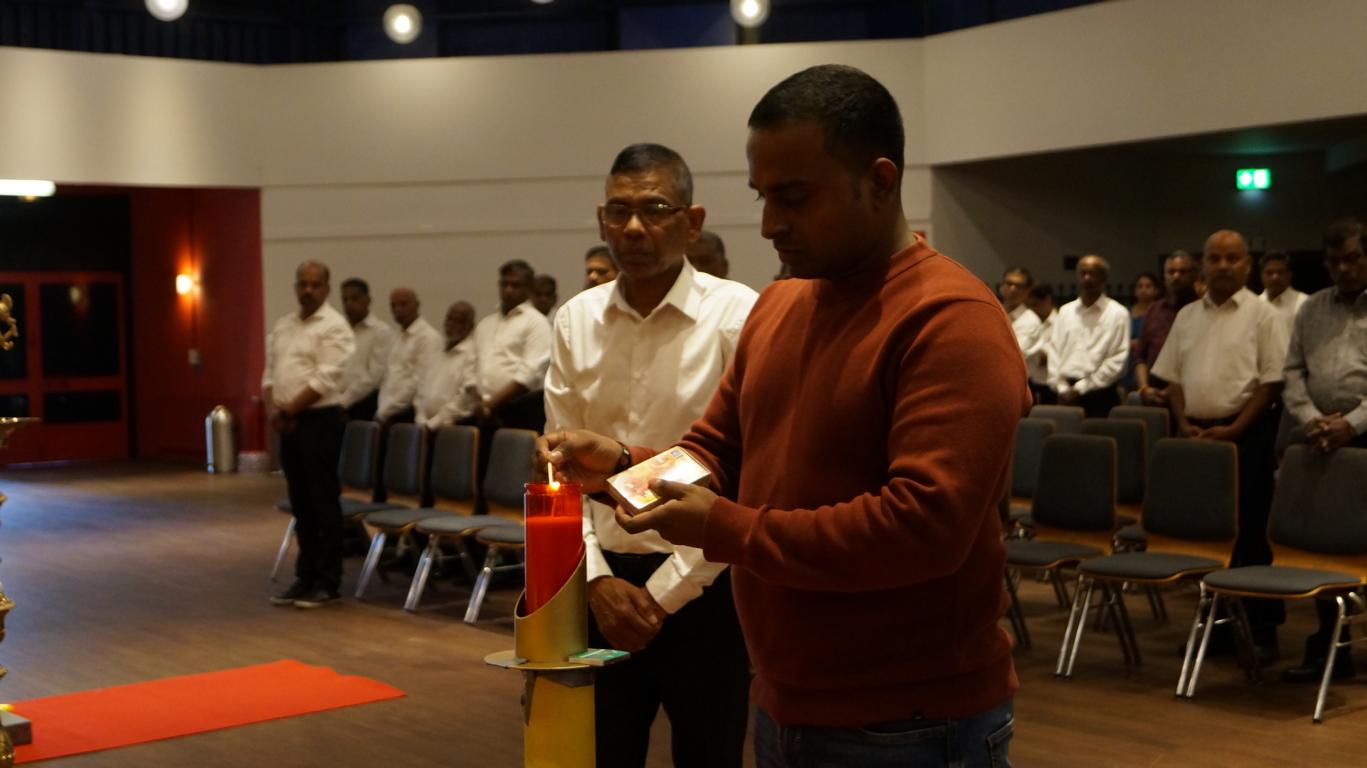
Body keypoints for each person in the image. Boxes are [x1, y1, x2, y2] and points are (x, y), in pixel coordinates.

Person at [540, 64, 1024, 767]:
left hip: (911, 717)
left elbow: (924, 528)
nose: (770, 224)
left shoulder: (951, 319)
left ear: (879, 181)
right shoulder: (781, 306)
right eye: (763, 197)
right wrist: (620, 467)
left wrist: (725, 528)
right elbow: (714, 451)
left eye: (794, 197)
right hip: (786, 697)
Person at [546, 143, 758, 768]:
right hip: (600, 586)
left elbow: (743, 471)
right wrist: (595, 580)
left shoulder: (737, 315)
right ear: (601, 220)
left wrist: (665, 593)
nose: (634, 227)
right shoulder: (575, 319)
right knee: (602, 754)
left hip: (707, 583)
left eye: (655, 209)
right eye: (619, 211)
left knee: (709, 755)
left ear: (692, 222)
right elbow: (561, 469)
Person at [1151, 229, 1288, 664]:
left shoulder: (1265, 315)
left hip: (1247, 434)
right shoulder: (1188, 315)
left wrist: (1234, 429)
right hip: (1198, 436)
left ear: (1248, 265)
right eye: (1215, 258)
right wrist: (1184, 423)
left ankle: (1262, 630)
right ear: (1203, 265)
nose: (1223, 266)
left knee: (1251, 534)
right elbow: (1173, 379)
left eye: (1232, 258)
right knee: (1210, 538)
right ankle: (1218, 629)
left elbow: (1270, 384)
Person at [1279, 217, 1367, 684]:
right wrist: (1312, 418)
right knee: (1323, 547)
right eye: (1335, 262)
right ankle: (1331, 646)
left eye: (1352, 259)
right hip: (1318, 436)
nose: (1344, 269)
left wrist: (1352, 424)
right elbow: (1293, 371)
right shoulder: (1312, 308)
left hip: (1363, 435)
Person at [263, 261, 355, 608]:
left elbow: (325, 378)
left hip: (319, 421)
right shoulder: (284, 325)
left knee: (322, 500)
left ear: (327, 288)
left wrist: (288, 411)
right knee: (300, 503)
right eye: (302, 284)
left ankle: (327, 581)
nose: (308, 290)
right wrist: (274, 412)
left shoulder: (334, 327)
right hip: (287, 422)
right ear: (295, 287)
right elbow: (270, 374)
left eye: (315, 285)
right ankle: (305, 576)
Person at [471, 259, 552, 433]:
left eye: (515, 285)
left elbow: (530, 374)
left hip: (520, 410)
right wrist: (480, 404)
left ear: (529, 289)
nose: (508, 290)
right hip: (483, 413)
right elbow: (472, 368)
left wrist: (490, 405)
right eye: (504, 284)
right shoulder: (486, 324)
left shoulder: (537, 323)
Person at [1047, 254, 1130, 417]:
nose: (1087, 278)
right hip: (1065, 391)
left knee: (1098, 434)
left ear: (1104, 277)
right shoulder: (1065, 311)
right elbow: (1054, 350)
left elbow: (1118, 359)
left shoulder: (1117, 313)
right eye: (1083, 273)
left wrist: (1081, 388)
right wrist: (1061, 387)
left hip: (1100, 394)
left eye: (1093, 273)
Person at [1133, 251, 1200, 407]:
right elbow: (1140, 358)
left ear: (1194, 276)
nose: (1176, 276)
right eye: (1171, 272)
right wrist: (1144, 388)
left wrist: (1174, 391)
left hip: (1192, 399)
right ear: (1164, 276)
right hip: (1153, 397)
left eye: (1182, 272)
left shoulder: (1204, 311)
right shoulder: (1154, 310)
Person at [374, 287, 443, 425]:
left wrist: (387, 410)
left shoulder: (428, 337)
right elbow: (389, 378)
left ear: (417, 305)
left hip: (409, 413)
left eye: (403, 304)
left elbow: (418, 383)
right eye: (393, 305)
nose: (398, 309)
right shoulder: (398, 338)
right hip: (388, 412)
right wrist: (383, 409)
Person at [337, 277, 396, 421]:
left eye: (354, 298)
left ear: (367, 300)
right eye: (345, 300)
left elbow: (373, 376)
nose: (349, 304)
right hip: (337, 401)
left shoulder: (381, 331)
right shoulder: (339, 331)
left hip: (364, 403)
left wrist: (344, 402)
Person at [414, 301, 478, 431]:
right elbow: (420, 386)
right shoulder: (437, 350)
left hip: (452, 428)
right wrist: (420, 419)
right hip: (423, 425)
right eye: (449, 319)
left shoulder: (473, 354)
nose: (451, 324)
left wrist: (433, 424)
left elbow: (463, 398)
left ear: (470, 326)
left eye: (458, 321)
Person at [1258, 250, 1307, 336]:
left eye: (1280, 272)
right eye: (1269, 272)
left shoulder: (1304, 303)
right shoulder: (1255, 304)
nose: (1275, 277)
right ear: (1261, 275)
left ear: (1289, 274)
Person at [999, 267, 1042, 361]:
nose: (1013, 289)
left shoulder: (1031, 321)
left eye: (1019, 286)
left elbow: (1014, 355)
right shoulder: (994, 314)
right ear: (1001, 287)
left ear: (1027, 291)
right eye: (1009, 284)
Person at [1023, 284, 1056, 403]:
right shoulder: (1029, 322)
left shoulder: (1060, 321)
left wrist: (1032, 354)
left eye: (1036, 305)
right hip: (1030, 382)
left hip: (1050, 383)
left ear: (1047, 300)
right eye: (1029, 306)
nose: (1033, 310)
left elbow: (1052, 357)